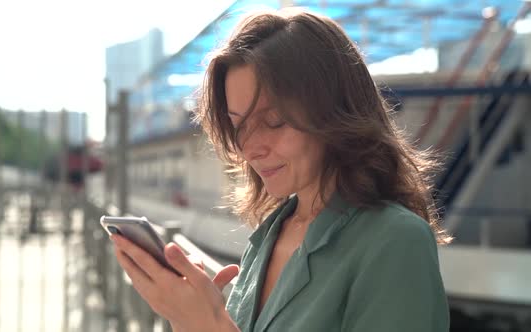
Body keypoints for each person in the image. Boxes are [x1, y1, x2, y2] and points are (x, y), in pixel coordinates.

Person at [110, 8, 452, 332]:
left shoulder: (395, 241)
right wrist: (190, 318)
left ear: (335, 111)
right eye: (238, 125)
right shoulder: (269, 234)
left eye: (273, 121)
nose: (250, 147)